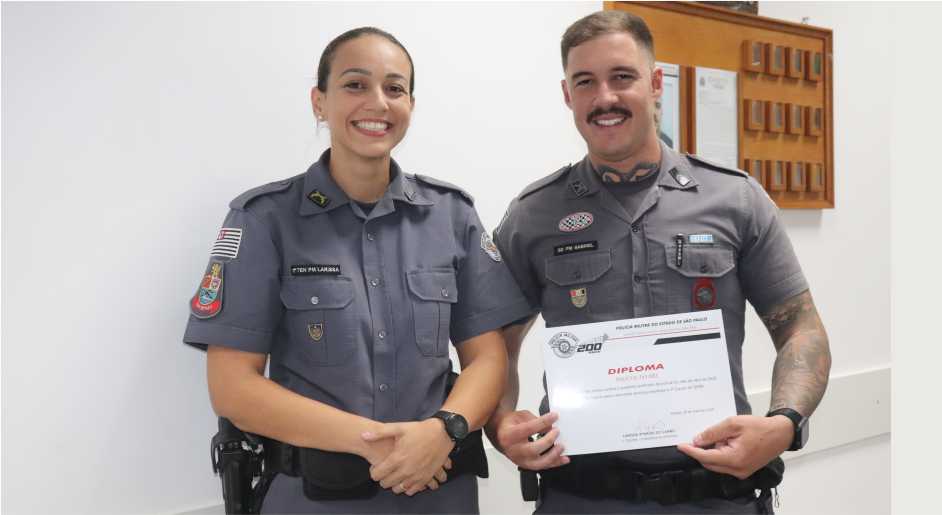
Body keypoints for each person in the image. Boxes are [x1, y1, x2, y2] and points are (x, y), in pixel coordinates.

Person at [487, 11, 831, 514]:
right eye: (585, 82)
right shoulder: (533, 214)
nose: (604, 97)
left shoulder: (735, 199)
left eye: (621, 76)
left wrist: (785, 423)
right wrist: (500, 423)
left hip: (715, 497)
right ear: (567, 95)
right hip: (580, 498)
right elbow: (494, 344)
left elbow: (801, 328)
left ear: (654, 84)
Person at [183, 27, 532, 514]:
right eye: (355, 84)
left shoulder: (451, 215)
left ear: (411, 104)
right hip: (313, 499)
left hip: (440, 495)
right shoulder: (264, 220)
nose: (378, 102)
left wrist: (444, 429)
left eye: (395, 88)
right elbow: (232, 387)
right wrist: (378, 445)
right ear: (319, 102)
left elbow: (489, 359)